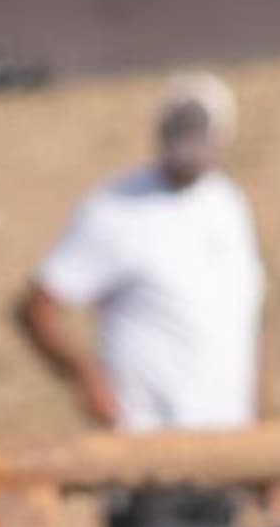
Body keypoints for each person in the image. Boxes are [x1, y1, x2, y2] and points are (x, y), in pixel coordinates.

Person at [16, 71, 264, 439]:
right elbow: (38, 307)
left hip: (228, 438)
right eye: (181, 134)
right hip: (148, 440)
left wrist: (259, 416)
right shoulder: (115, 209)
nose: (190, 149)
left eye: (199, 136)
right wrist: (87, 379)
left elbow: (243, 322)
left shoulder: (228, 204)